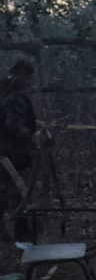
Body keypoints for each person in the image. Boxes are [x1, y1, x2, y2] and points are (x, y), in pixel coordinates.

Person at [0, 60, 37, 241]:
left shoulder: (6, 91)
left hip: (7, 151)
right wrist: (32, 139)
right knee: (19, 192)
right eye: (27, 77)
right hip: (13, 153)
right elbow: (14, 125)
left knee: (6, 191)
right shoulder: (13, 96)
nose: (29, 81)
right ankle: (22, 232)